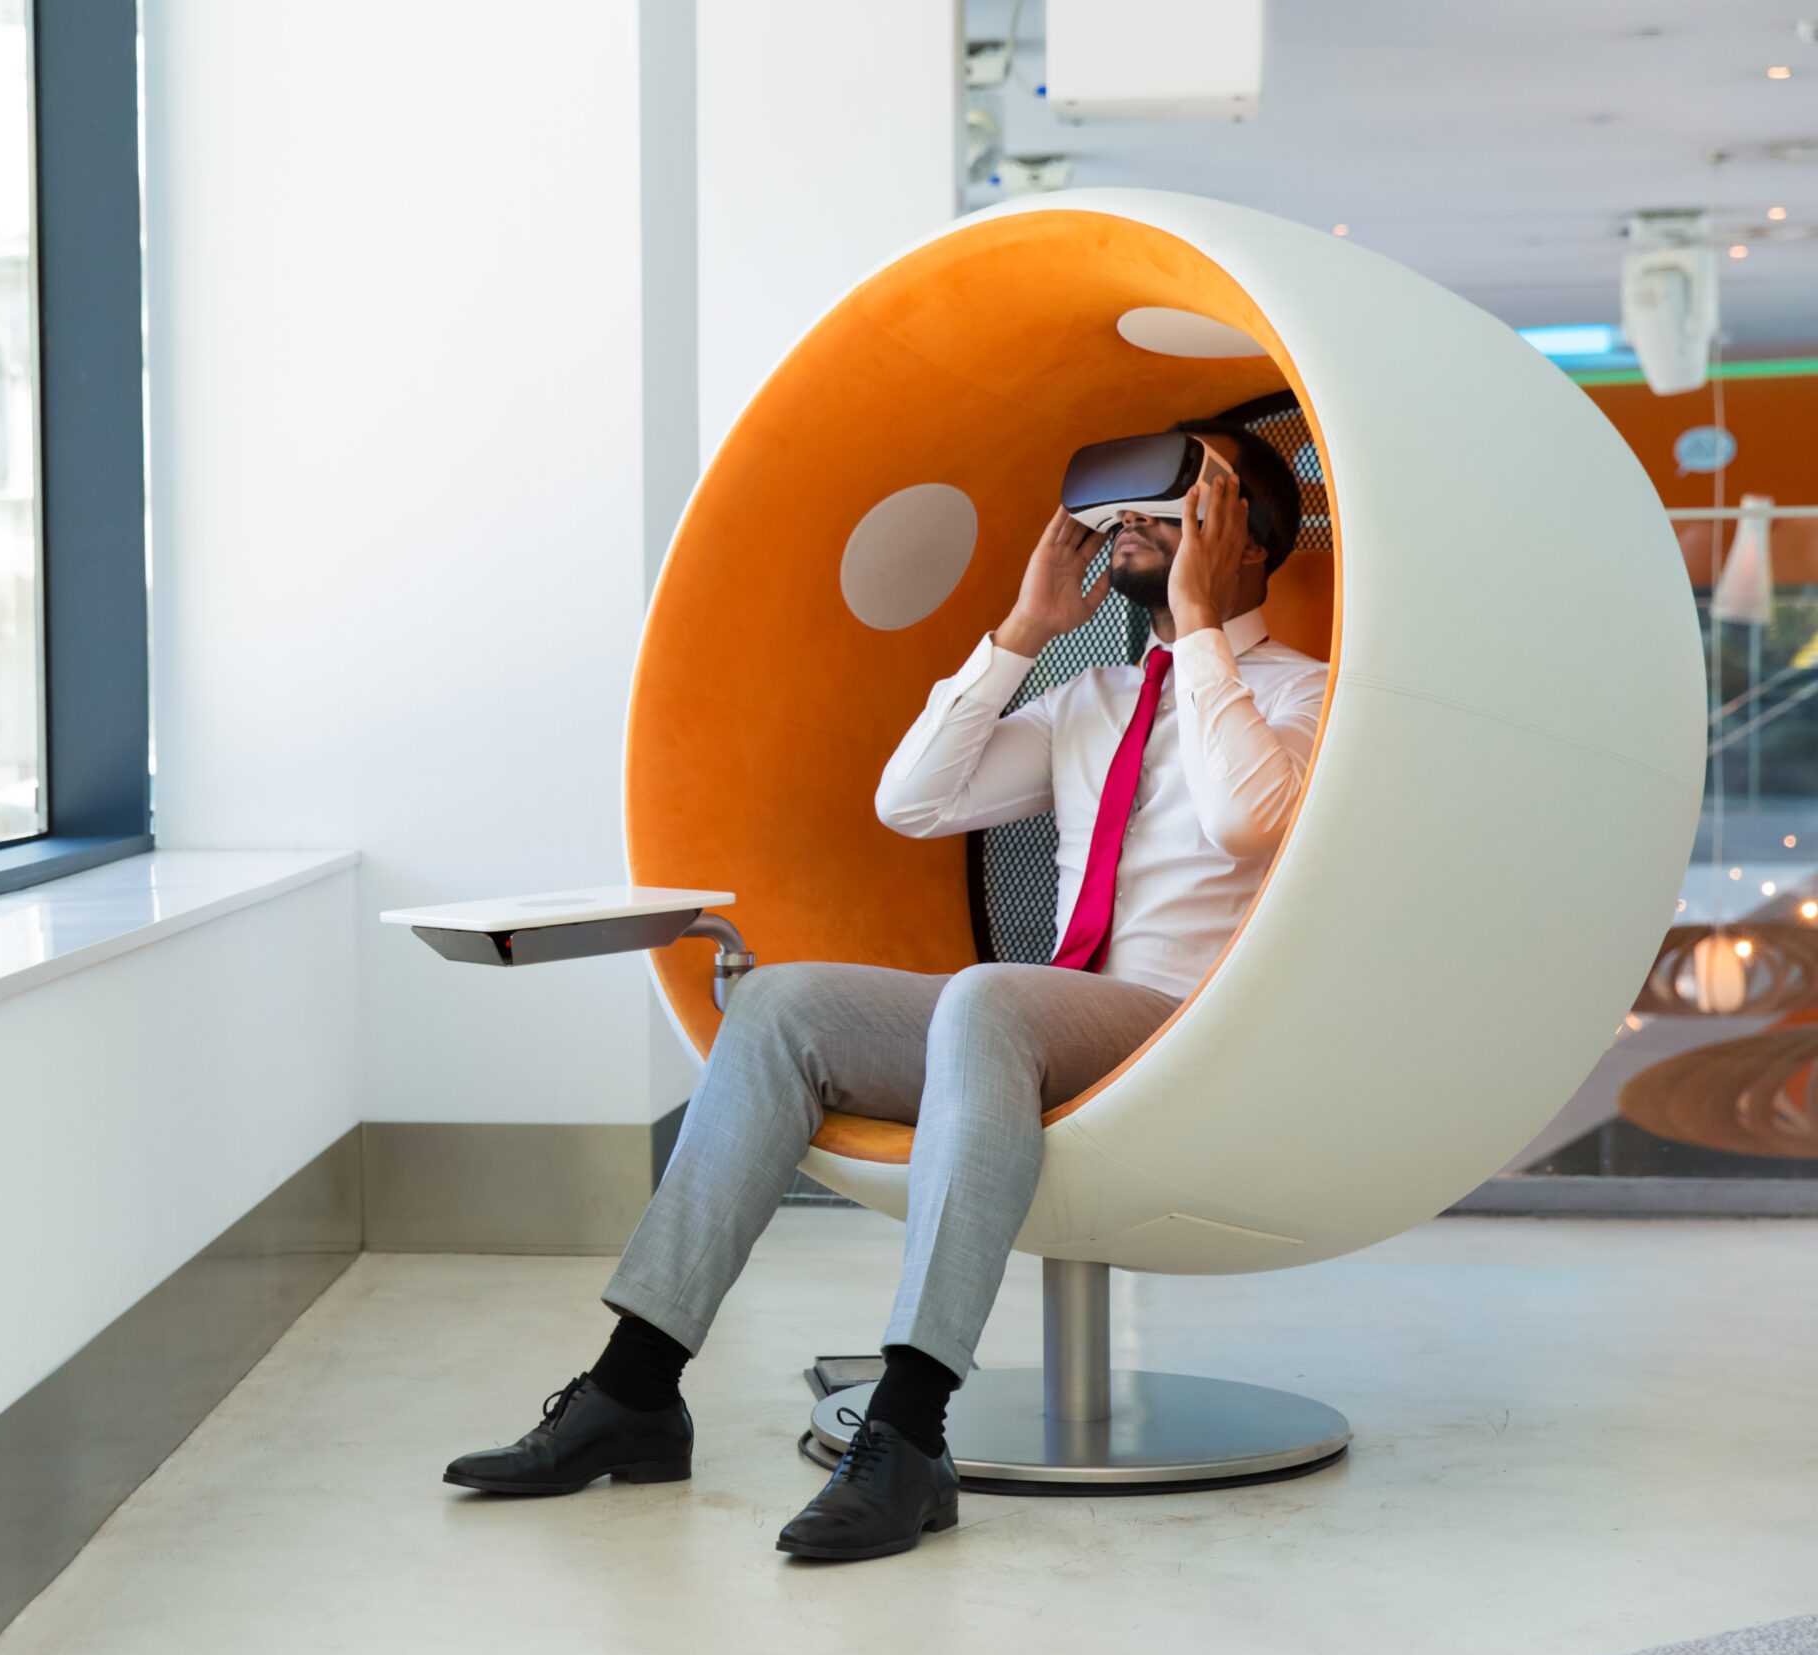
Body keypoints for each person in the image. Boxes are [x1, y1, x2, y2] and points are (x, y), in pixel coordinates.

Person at [442, 419, 1328, 1562]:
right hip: (1033, 1020)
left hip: (1180, 1029)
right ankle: (635, 1391)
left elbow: (1245, 818)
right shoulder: (1091, 699)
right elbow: (911, 801)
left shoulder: (1300, 699)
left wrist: (1202, 630)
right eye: (1127, 517)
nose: (1137, 533)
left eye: (1180, 512)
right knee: (779, 1007)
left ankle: (906, 1431)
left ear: (1251, 541)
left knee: (988, 998)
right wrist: (1022, 633)